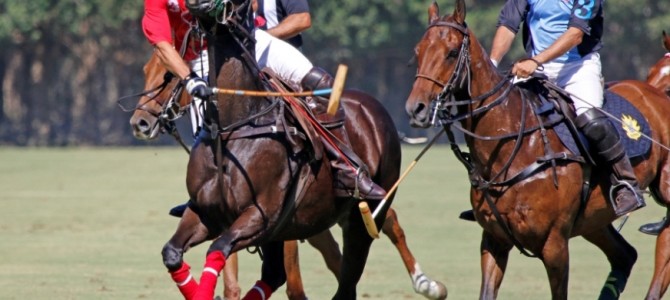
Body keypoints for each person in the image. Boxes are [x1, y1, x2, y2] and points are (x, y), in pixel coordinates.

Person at [142, 0, 384, 206]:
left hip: (249, 41)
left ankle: (346, 169)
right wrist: (189, 79)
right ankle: (203, 197)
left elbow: (253, 4)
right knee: (206, 130)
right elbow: (162, 45)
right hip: (199, 59)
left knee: (319, 83)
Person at [486, 0, 644, 217]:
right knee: (497, 113)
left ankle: (626, 184)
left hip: (577, 67)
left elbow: (575, 34)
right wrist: (492, 64)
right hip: (535, 68)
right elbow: (508, 24)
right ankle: (489, 190)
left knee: (592, 120)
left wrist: (535, 60)